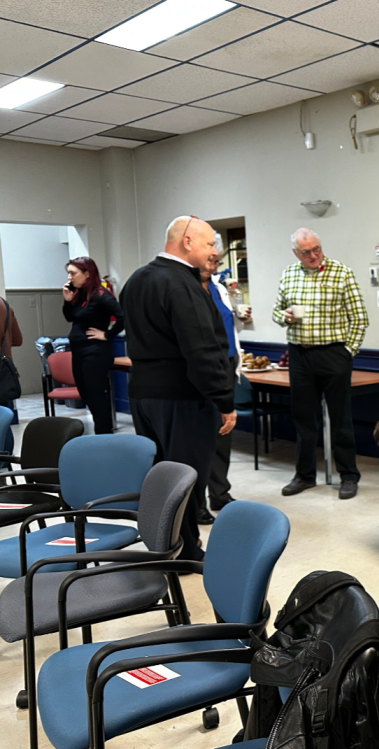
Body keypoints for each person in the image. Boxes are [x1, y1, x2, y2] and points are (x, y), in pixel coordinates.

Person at [121, 216, 237, 561]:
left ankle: (163, 542)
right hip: (182, 398)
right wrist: (224, 401)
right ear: (187, 241)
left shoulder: (137, 279)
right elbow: (201, 351)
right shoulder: (181, 285)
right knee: (186, 478)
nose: (213, 251)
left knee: (160, 476)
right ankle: (186, 550)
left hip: (143, 396)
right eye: (209, 244)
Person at [273, 228, 368, 500]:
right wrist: (286, 317)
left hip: (334, 353)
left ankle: (348, 476)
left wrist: (347, 352)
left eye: (317, 249)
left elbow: (359, 318)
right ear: (296, 253)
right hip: (299, 355)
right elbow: (276, 311)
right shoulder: (289, 274)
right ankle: (304, 476)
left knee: (340, 420)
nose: (314, 255)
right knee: (304, 420)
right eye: (306, 252)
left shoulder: (342, 272)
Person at [200, 245, 252, 518]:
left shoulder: (219, 288)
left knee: (223, 431)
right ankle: (196, 503)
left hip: (228, 364)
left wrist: (239, 317)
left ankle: (219, 493)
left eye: (217, 260)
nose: (214, 263)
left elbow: (230, 326)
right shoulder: (190, 289)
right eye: (210, 258)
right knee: (199, 437)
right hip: (205, 367)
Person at [61, 257, 124, 434]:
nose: (69, 277)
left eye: (73, 273)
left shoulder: (100, 295)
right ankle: (102, 434)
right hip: (79, 351)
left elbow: (122, 317)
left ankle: (104, 436)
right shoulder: (80, 295)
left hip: (95, 352)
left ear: (87, 274)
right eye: (68, 273)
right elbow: (70, 318)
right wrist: (67, 301)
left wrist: (107, 334)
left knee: (97, 398)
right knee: (86, 394)